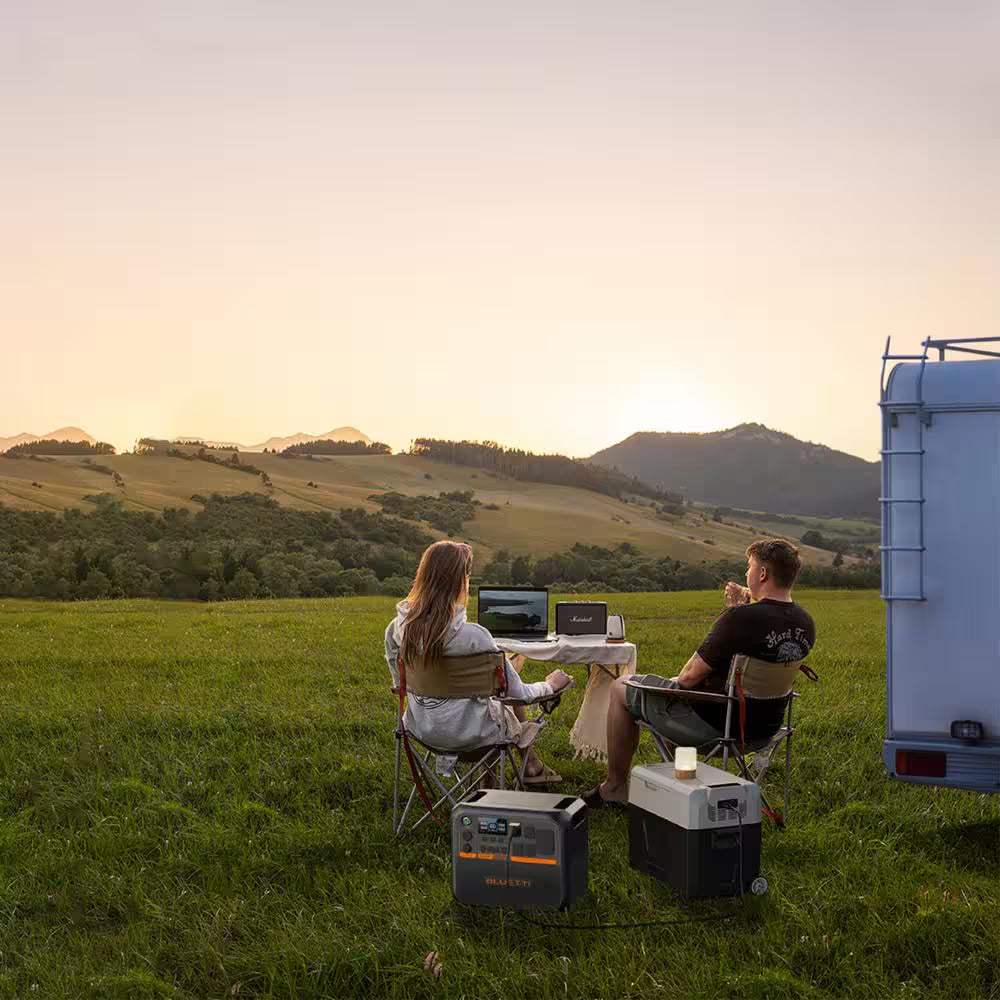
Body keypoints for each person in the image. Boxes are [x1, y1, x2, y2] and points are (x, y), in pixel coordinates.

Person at [582, 538, 816, 808]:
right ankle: (676, 785)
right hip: (764, 730)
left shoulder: (740, 619)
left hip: (716, 726)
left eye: (749, 567)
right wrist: (744, 607)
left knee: (621, 686)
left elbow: (687, 678)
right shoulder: (805, 623)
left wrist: (731, 614)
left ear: (762, 574)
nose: (746, 573)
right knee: (674, 691)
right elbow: (767, 626)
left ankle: (614, 787)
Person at [386, 540, 573, 783]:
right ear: (459, 581)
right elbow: (519, 694)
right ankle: (526, 768)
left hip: (421, 730)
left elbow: (398, 684)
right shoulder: (476, 637)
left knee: (493, 696)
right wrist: (551, 685)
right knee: (500, 700)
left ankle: (502, 776)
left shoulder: (397, 631)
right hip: (474, 737)